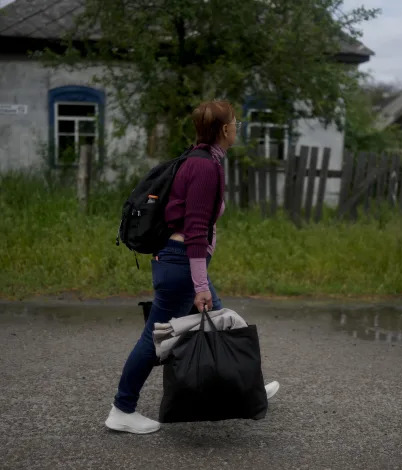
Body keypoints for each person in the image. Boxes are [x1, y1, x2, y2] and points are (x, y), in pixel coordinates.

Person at [105, 100, 280, 434]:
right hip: (182, 263)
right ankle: (122, 409)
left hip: (179, 262)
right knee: (153, 339)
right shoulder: (204, 167)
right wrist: (200, 285)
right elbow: (195, 230)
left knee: (224, 324)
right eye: (235, 123)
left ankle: (249, 392)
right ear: (224, 129)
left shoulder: (200, 159)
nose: (237, 128)